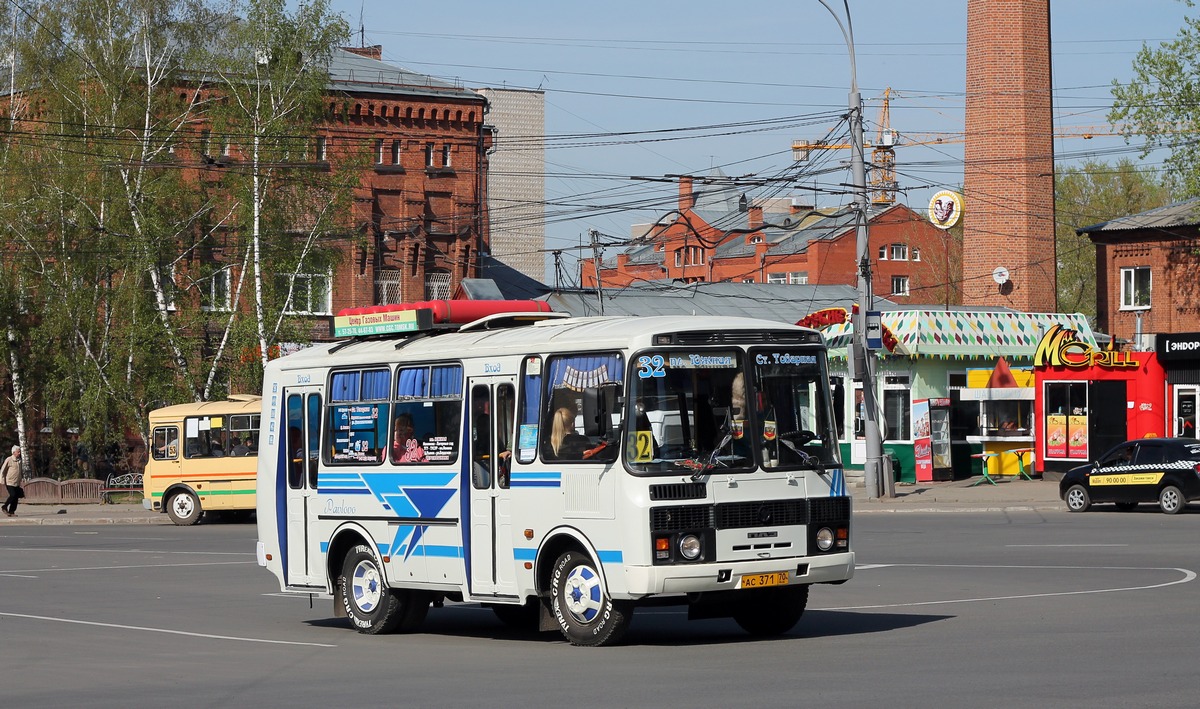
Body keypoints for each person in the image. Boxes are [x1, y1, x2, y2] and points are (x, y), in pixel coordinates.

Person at [2, 445, 24, 517]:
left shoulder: (19, 460)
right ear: (14, 452)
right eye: (18, 452)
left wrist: (21, 478)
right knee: (13, 495)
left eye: (20, 451)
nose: (19, 453)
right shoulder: (9, 459)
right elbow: (3, 470)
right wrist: (2, 480)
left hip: (17, 482)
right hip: (9, 481)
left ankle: (12, 511)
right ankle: (4, 507)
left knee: (16, 497)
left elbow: (20, 471)